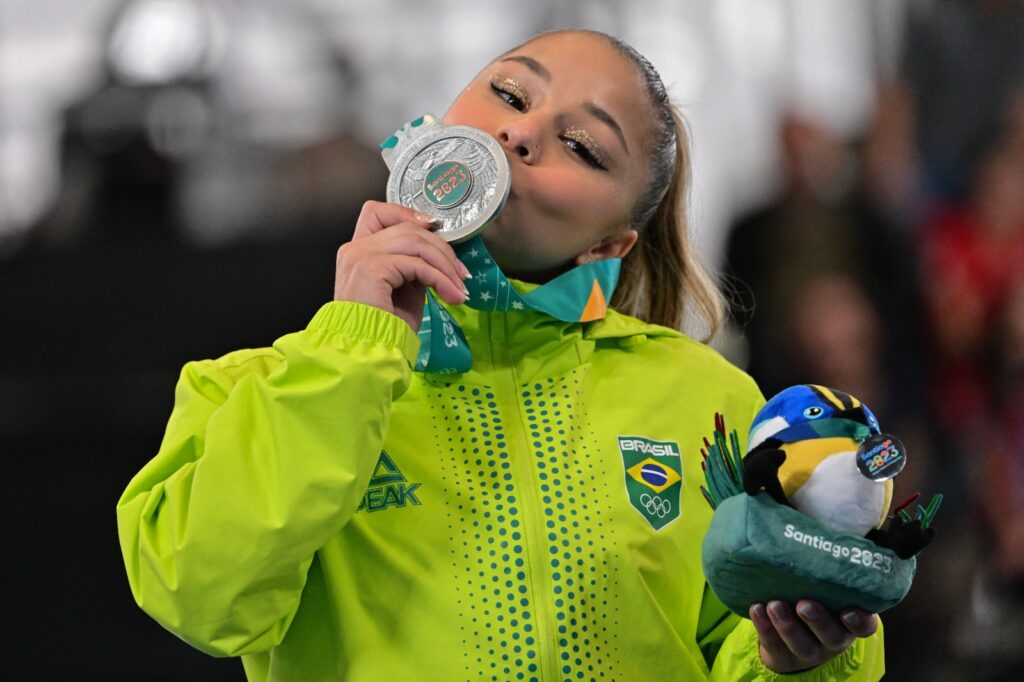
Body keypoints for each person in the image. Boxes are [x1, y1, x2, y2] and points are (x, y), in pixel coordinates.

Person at [116, 29, 884, 680]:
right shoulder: (258, 388)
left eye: (582, 147)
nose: (522, 133)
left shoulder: (708, 401)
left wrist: (807, 658)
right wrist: (352, 350)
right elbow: (205, 598)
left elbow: (745, 643)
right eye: (511, 95)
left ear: (609, 244)